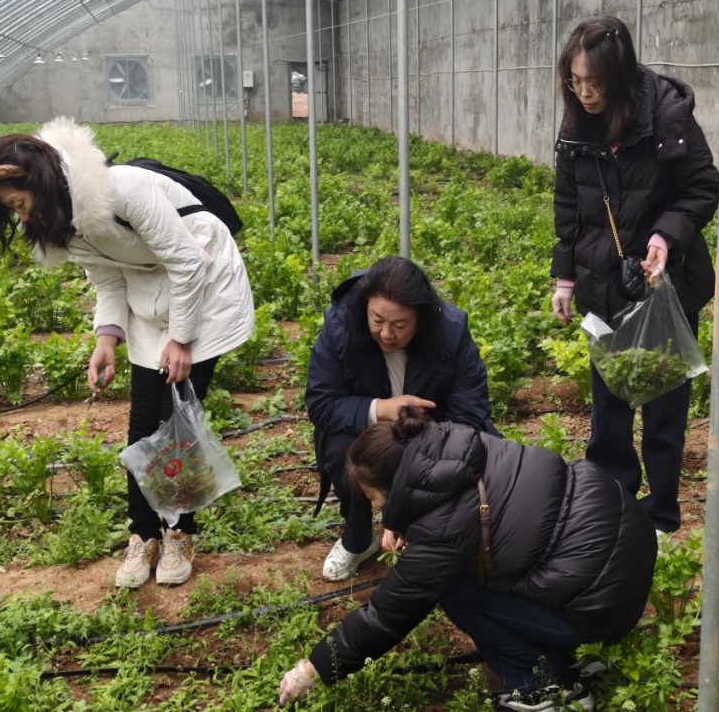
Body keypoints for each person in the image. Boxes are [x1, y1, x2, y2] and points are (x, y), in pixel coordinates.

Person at [0, 117, 255, 589]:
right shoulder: (63, 221)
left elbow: (187, 262)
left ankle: (180, 533)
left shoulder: (123, 189)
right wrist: (105, 340)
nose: (22, 219)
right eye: (13, 211)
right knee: (143, 420)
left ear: (41, 187)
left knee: (177, 420)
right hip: (148, 287)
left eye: (21, 205)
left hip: (203, 280)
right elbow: (107, 278)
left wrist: (181, 340)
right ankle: (142, 533)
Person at [278, 407, 656, 710]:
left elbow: (386, 615)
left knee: (455, 592)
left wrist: (312, 669)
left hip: (599, 612)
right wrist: (404, 522)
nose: (375, 508)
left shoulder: (442, 532)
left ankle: (545, 688)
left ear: (393, 487)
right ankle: (569, 653)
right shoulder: (462, 445)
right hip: (621, 571)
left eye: (373, 498)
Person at [549, 16, 719, 541]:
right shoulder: (577, 125)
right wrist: (565, 278)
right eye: (575, 82)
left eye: (594, 83)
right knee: (609, 408)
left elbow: (702, 186)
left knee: (664, 410)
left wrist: (665, 236)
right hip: (602, 283)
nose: (584, 93)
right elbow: (569, 207)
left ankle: (662, 516)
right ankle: (612, 508)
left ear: (620, 76)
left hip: (662, 284)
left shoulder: (667, 115)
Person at [305, 256, 498, 582]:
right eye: (377, 320)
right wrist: (382, 409)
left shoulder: (451, 332)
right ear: (364, 307)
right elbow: (321, 403)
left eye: (399, 324)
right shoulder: (341, 327)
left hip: (436, 433)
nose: (386, 333)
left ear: (421, 318)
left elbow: (470, 412)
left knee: (484, 455)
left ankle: (434, 536)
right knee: (340, 448)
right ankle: (358, 537)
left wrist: (427, 442)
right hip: (369, 431)